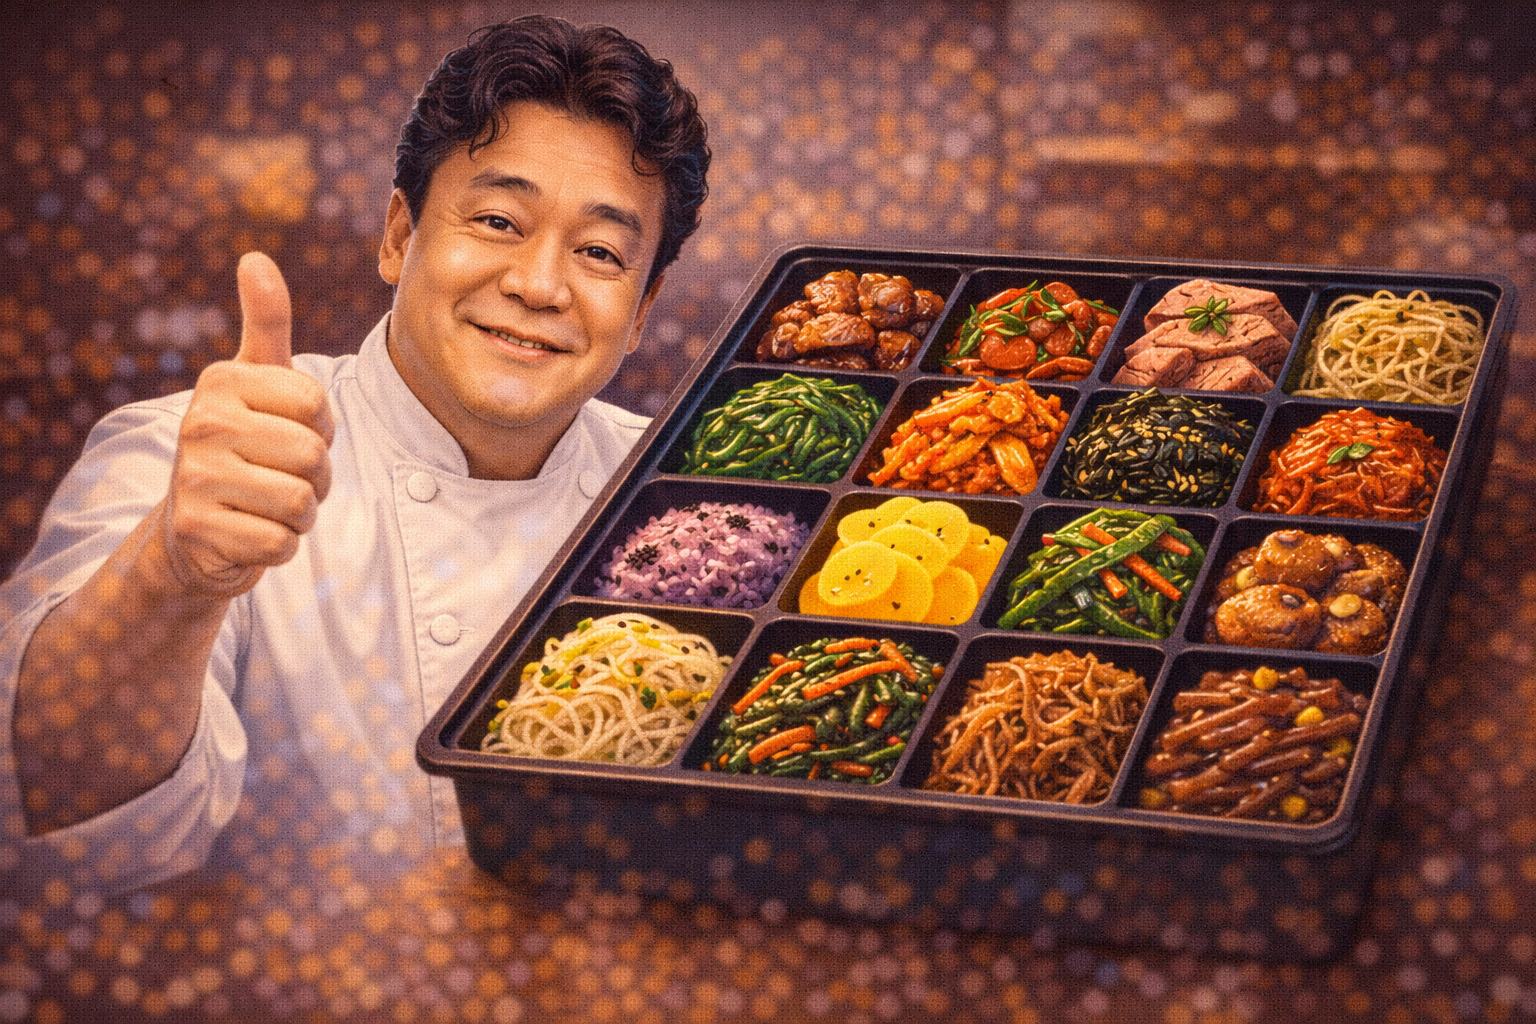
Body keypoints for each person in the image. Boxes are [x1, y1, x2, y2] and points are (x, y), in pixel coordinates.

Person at [0, 16, 710, 891]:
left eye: (599, 251)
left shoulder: (690, 497)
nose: (538, 285)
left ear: (642, 309)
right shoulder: (196, 457)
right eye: (497, 220)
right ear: (399, 236)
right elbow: (60, 814)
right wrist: (171, 577)